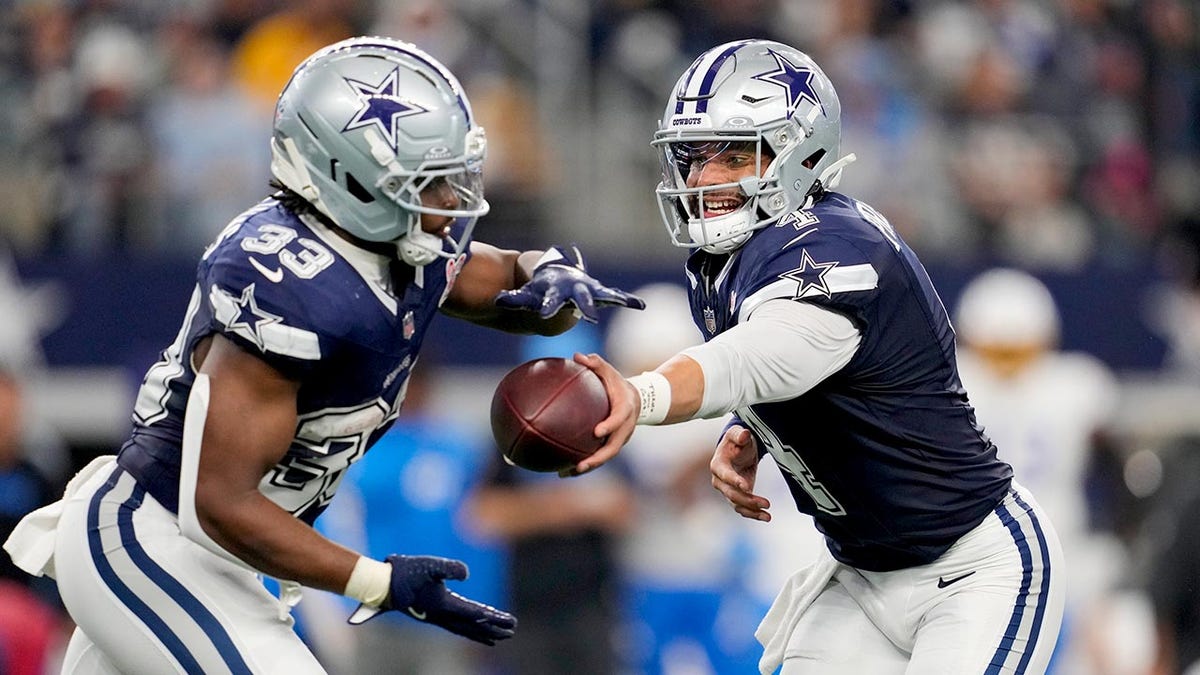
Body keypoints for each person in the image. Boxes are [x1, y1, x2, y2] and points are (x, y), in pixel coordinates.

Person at [3, 36, 643, 674]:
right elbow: (217, 502)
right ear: (349, 180)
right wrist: (378, 581)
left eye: (452, 176)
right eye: (428, 182)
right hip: (158, 540)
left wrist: (550, 271)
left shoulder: (396, 243)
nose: (451, 200)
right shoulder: (292, 284)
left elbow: (516, 290)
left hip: (220, 560)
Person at [574, 39, 1066, 674]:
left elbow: (754, 357)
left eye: (733, 154)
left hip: (974, 568)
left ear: (801, 152)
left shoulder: (835, 250)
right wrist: (752, 428)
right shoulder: (733, 258)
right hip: (859, 572)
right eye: (693, 157)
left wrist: (638, 395)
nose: (702, 179)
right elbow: (813, 370)